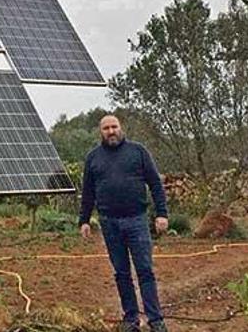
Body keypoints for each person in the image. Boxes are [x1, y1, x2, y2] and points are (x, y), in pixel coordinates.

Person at [79, 115, 169, 332]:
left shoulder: (138, 152)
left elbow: (155, 184)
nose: (111, 131)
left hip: (136, 219)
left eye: (114, 127)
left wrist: (161, 214)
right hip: (109, 223)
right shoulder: (93, 158)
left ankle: (155, 321)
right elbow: (88, 192)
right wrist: (84, 220)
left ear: (121, 128)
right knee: (121, 273)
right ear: (100, 132)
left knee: (145, 270)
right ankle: (131, 320)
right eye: (106, 128)